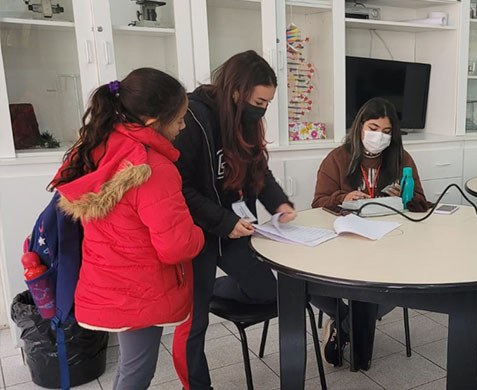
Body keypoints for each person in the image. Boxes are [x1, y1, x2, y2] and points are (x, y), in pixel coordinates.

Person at [51, 68, 204, 389]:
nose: (183, 126)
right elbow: (176, 246)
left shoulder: (101, 149)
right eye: (178, 119)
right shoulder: (154, 168)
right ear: (151, 122)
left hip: (108, 281)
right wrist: (200, 232)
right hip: (140, 290)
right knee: (137, 372)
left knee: (129, 365)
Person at [170, 50, 297, 390]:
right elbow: (179, 188)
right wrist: (223, 221)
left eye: (268, 102)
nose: (263, 109)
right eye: (260, 100)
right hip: (199, 230)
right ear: (237, 91)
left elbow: (259, 170)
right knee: (193, 325)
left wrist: (279, 203)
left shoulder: (247, 119)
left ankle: (209, 288)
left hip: (234, 225)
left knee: (267, 291)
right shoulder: (193, 118)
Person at [311, 97, 430, 367]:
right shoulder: (337, 158)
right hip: (346, 241)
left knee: (402, 283)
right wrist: (344, 196)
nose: (380, 136)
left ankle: (343, 328)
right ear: (360, 127)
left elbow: (422, 201)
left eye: (387, 132)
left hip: (389, 242)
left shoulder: (401, 157)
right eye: (374, 128)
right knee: (306, 280)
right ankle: (350, 320)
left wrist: (406, 196)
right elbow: (318, 202)